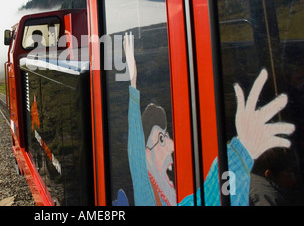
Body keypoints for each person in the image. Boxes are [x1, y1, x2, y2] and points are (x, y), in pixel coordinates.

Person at [120, 31, 295, 206]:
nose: (172, 144)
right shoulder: (145, 189)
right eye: (162, 139)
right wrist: (133, 85)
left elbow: (207, 196)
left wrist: (243, 148)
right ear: (145, 152)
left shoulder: (167, 193)